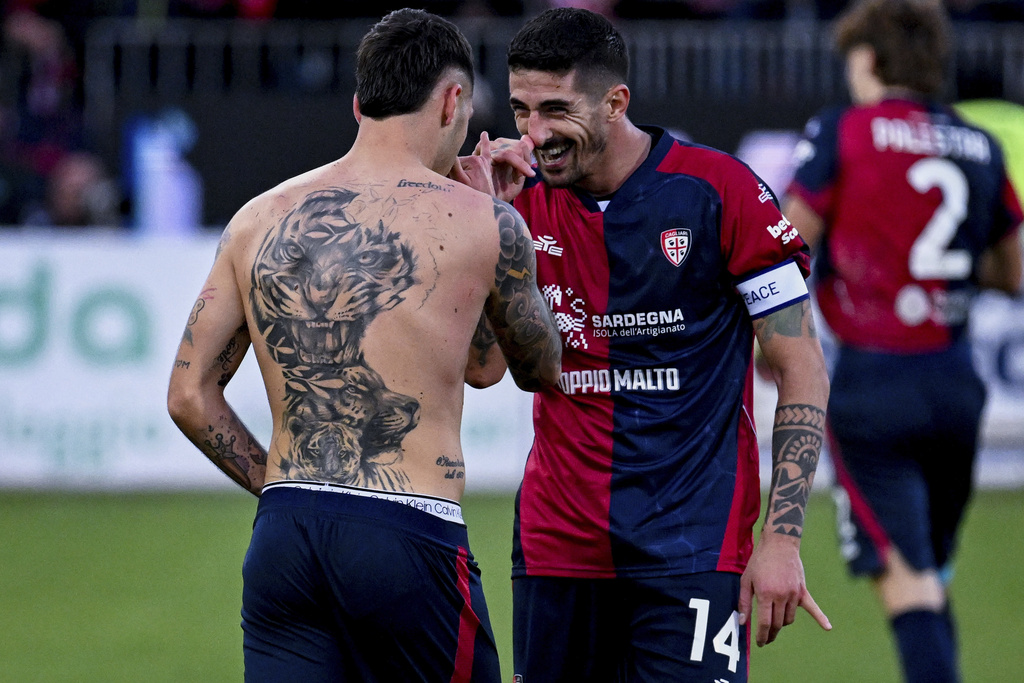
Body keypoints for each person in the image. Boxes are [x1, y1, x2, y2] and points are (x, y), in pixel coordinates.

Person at [166, 9, 562, 682]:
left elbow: (188, 395)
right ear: (452, 101)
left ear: (358, 104)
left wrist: (277, 487)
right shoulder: (485, 221)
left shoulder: (258, 217)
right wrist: (505, 224)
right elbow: (533, 367)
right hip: (408, 527)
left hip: (287, 531)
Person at [465, 7, 831, 681]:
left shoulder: (721, 191)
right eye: (520, 111)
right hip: (558, 546)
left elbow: (801, 364)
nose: (534, 134)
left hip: (693, 543)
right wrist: (490, 230)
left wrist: (781, 537)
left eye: (554, 109)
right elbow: (486, 368)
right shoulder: (517, 205)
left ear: (615, 102)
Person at [781, 1, 1023, 682]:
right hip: (955, 384)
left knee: (908, 580)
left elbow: (786, 243)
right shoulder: (979, 143)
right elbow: (1012, 273)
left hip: (873, 387)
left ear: (868, 59)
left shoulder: (847, 130)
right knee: (930, 572)